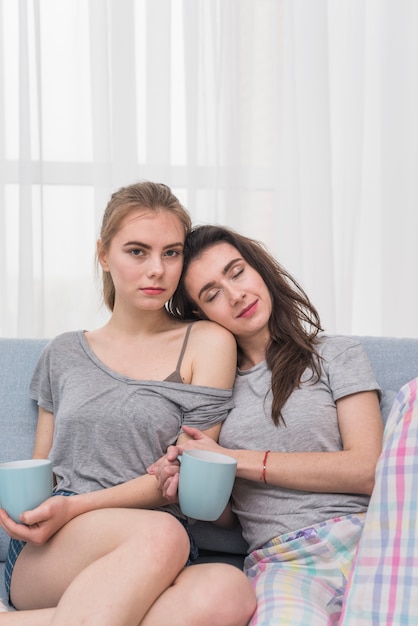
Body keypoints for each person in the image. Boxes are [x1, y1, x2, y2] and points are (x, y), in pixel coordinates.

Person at [0, 186, 256, 625]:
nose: (156, 270)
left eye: (171, 253)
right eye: (137, 251)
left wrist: (77, 507)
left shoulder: (207, 343)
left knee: (229, 590)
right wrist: (36, 513)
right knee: (161, 534)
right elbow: (40, 468)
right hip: (57, 543)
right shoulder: (62, 352)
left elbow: (188, 471)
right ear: (103, 254)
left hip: (161, 544)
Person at [149, 224, 418, 625]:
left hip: (369, 541)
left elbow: (366, 471)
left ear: (258, 269)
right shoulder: (211, 392)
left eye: (237, 272)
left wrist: (231, 459)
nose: (236, 294)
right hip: (283, 564)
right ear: (200, 315)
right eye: (212, 294)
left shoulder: (335, 355)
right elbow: (232, 515)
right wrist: (190, 486)